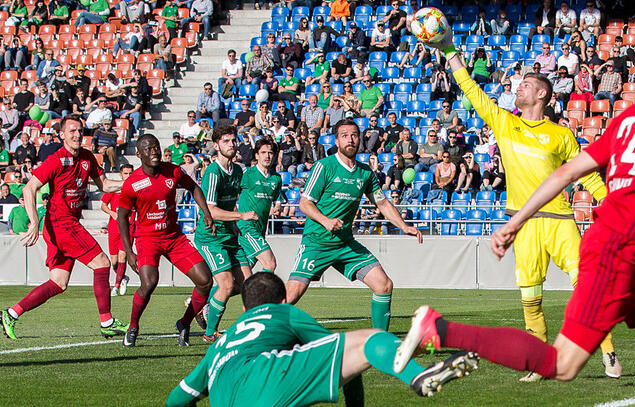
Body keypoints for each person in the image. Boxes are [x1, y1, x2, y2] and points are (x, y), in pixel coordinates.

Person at [396, 27, 635, 407]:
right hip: (619, 248)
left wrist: (513, 222)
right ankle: (440, 329)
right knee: (562, 363)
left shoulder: (632, 114)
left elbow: (565, 174)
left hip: (632, 251)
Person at [427, 23, 620, 382]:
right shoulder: (503, 122)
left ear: (543, 95)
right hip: (523, 223)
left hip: (560, 222)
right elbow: (469, 89)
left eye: (527, 85)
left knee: (587, 289)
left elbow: (587, 175)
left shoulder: (561, 135)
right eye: (520, 85)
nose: (520, 88)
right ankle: (537, 361)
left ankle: (608, 351)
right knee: (530, 298)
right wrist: (450, 49)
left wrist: (612, 203)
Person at [165, 272, 477, 407]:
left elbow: (176, 400)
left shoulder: (221, 344)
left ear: (244, 307)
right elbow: (344, 354)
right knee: (369, 340)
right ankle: (417, 374)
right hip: (269, 380)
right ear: (281, 300)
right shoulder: (283, 314)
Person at [0, 116, 128, 340]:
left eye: (80, 130)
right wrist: (34, 221)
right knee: (103, 263)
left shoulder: (87, 157)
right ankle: (106, 321)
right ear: (62, 135)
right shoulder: (56, 160)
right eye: (72, 131)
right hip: (61, 223)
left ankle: (11, 313)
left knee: (58, 282)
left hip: (65, 224)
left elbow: (104, 185)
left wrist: (130, 185)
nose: (77, 135)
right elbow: (29, 189)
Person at [286, 120, 424, 331]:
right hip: (317, 242)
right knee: (292, 294)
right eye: (344, 135)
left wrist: (404, 226)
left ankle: (380, 339)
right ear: (336, 140)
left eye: (354, 135)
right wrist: (326, 221)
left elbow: (382, 202)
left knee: (383, 285)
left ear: (359, 139)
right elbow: (305, 203)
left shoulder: (365, 173)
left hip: (345, 244)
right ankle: (256, 331)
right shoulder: (324, 167)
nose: (350, 139)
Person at [116, 134, 217, 347]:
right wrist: (129, 251)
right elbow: (122, 217)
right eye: (148, 149)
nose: (153, 151)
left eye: (156, 147)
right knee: (149, 282)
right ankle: (133, 326)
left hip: (174, 238)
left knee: (205, 280)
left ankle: (184, 323)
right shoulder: (132, 184)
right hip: (147, 239)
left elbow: (194, 187)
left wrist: (206, 212)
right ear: (138, 154)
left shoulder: (173, 171)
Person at [194, 125, 259, 342]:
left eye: (233, 140)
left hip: (229, 235)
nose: (231, 144)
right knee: (227, 284)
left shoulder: (238, 170)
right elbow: (210, 210)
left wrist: (235, 224)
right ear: (216, 145)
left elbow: (230, 205)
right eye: (226, 141)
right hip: (211, 237)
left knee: (247, 284)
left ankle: (202, 305)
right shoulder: (213, 172)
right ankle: (210, 332)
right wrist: (241, 217)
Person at [235, 139, 283, 280]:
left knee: (238, 279)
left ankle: (205, 301)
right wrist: (236, 216)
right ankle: (261, 298)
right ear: (256, 155)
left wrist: (277, 208)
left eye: (270, 153)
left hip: (261, 229)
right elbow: (231, 195)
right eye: (263, 152)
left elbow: (277, 201)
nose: (267, 156)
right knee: (270, 263)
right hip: (247, 228)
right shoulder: (247, 174)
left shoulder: (276, 179)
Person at [101, 165, 133, 296]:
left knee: (122, 255)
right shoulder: (114, 189)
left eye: (130, 173)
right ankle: (123, 277)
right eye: (126, 173)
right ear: (121, 175)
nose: (128, 176)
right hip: (114, 227)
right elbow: (103, 205)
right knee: (114, 261)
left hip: (129, 227)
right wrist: (112, 213)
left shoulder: (135, 190)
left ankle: (116, 286)